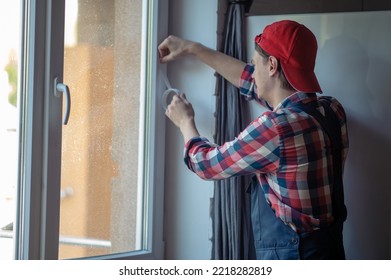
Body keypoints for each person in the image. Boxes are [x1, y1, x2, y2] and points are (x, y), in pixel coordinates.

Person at [158, 20, 349, 260]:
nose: (251, 70)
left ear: (271, 65)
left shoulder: (275, 128)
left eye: (254, 63)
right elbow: (253, 81)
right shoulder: (331, 109)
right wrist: (193, 48)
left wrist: (185, 122)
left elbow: (206, 165)